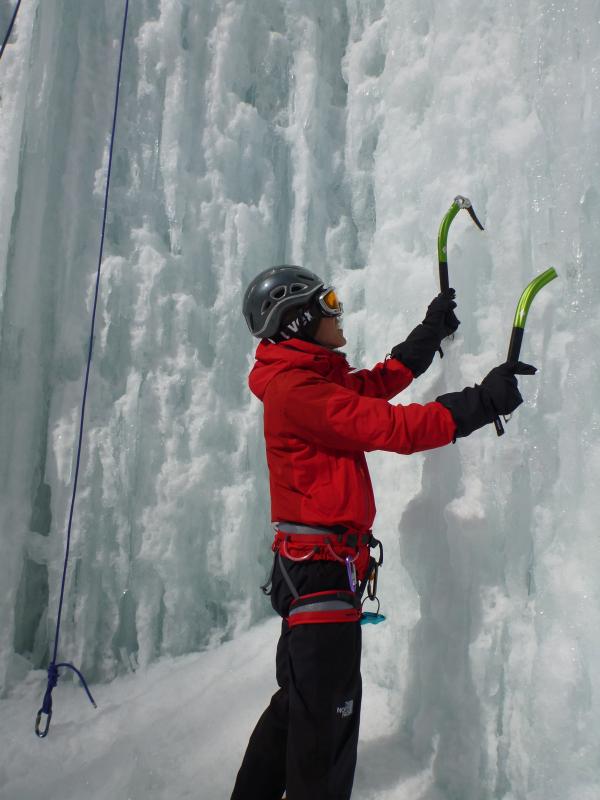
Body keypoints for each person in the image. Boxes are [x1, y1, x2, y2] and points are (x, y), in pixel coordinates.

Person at [231, 265, 535, 800]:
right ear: (299, 319)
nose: (336, 309)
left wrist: (429, 333)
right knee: (324, 726)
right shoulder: (297, 391)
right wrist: (480, 403)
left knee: (298, 709)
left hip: (316, 567)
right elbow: (387, 426)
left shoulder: (308, 380)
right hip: (320, 570)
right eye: (327, 301)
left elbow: (373, 386)